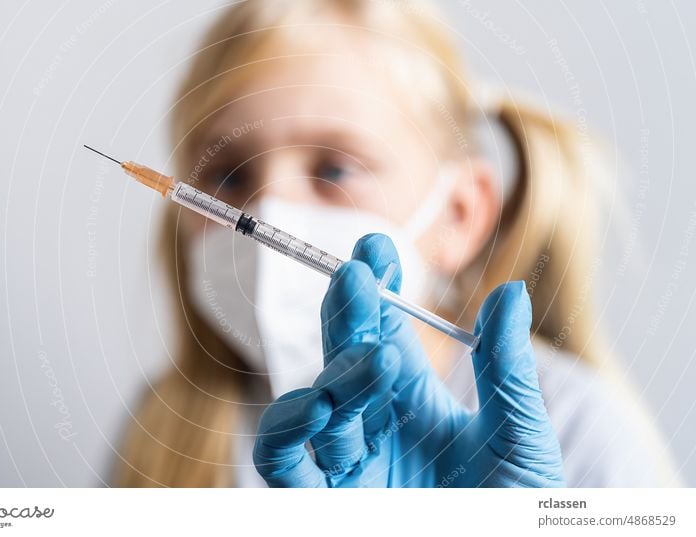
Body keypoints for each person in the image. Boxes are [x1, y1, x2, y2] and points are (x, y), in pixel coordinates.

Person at [112, 0, 681, 487]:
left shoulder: (569, 428)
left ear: (458, 215)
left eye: (334, 169)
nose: (267, 208)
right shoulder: (166, 435)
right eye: (229, 174)